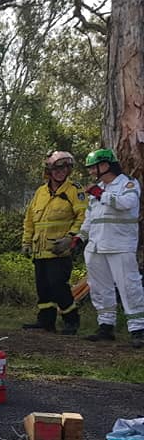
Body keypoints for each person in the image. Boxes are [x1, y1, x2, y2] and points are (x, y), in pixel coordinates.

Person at [76, 148, 144, 347]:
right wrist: (79, 238)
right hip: (96, 246)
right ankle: (105, 326)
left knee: (129, 287)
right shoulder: (96, 188)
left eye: (93, 167)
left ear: (105, 165)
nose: (91, 172)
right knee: (99, 288)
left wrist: (102, 194)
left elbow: (127, 203)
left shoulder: (128, 184)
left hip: (120, 245)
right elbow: (90, 218)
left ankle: (138, 330)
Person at [20, 151, 86, 334]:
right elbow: (30, 220)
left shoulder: (74, 190)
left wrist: (70, 238)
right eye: (56, 169)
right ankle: (46, 321)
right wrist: (26, 243)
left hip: (59, 250)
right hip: (40, 250)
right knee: (43, 288)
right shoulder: (40, 192)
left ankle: (71, 321)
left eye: (64, 168)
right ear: (48, 171)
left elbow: (83, 217)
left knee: (59, 286)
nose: (60, 172)